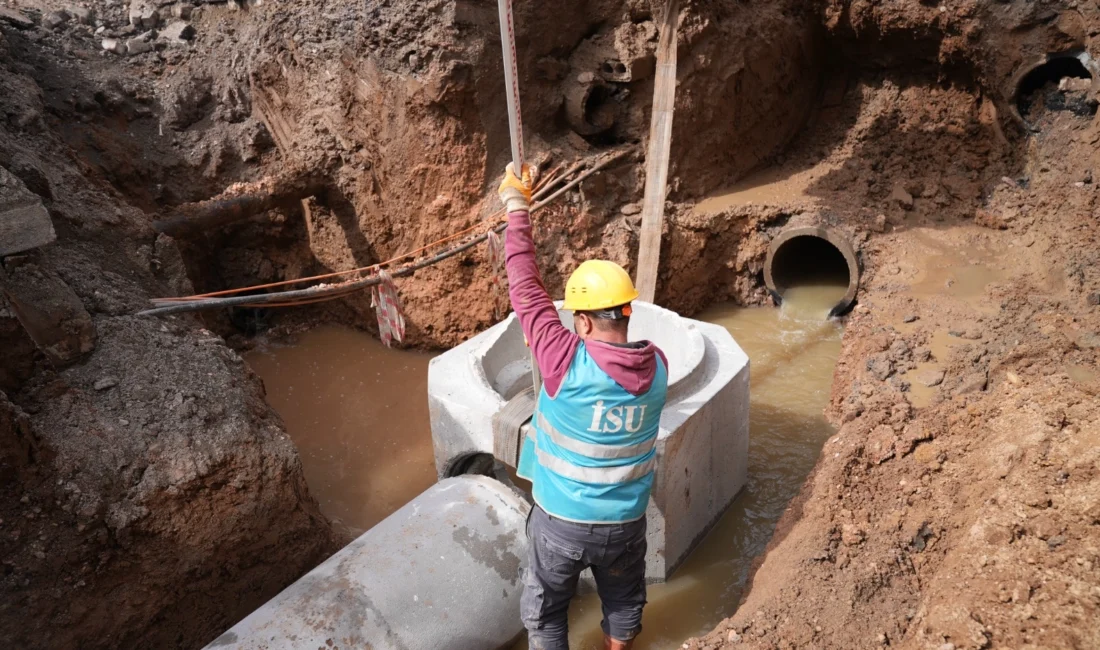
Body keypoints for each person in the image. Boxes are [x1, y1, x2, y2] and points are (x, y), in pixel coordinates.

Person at [498, 164, 669, 650]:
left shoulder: (565, 362)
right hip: (625, 526)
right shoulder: (657, 369)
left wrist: (517, 206)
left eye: (574, 318)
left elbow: (525, 288)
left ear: (585, 322)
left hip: (560, 526)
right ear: (626, 312)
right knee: (622, 606)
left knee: (547, 616)